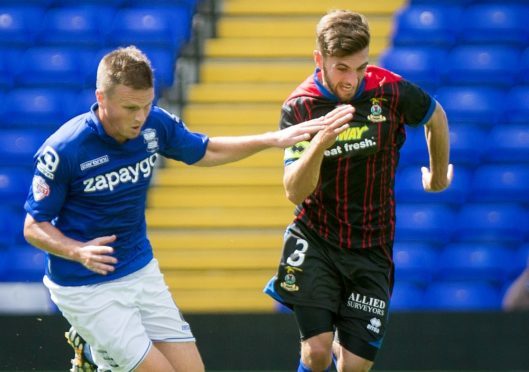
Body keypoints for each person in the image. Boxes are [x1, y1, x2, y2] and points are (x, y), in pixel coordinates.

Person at [22, 46, 355, 372]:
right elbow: (33, 226)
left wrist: (271, 139)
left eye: (146, 105)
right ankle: (101, 356)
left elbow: (205, 150)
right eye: (129, 107)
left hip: (139, 270)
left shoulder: (155, 124)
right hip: (85, 285)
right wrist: (78, 251)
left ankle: (102, 359)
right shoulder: (64, 149)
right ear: (101, 98)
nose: (139, 117)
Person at [264, 9, 453, 372]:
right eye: (342, 68)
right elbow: (294, 191)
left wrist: (439, 175)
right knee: (316, 353)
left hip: (372, 246)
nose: (352, 80)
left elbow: (435, 116)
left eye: (361, 67)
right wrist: (319, 143)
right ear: (320, 60)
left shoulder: (390, 90)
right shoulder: (301, 106)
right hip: (316, 238)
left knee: (354, 367)